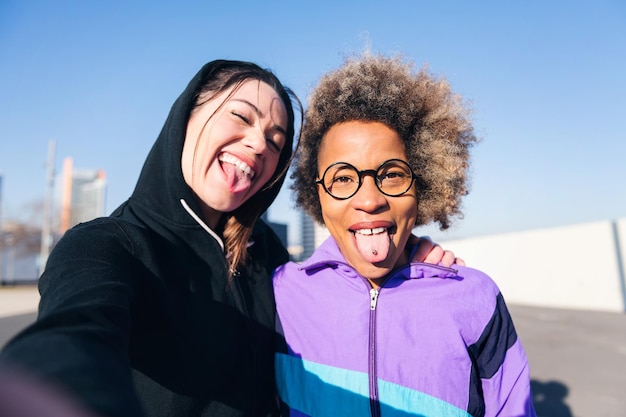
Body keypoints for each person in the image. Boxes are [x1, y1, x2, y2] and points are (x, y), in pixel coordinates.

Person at [0, 59, 459, 417]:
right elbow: (77, 333)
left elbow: (334, 284)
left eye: (276, 140)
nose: (259, 144)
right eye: (241, 116)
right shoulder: (107, 247)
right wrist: (46, 391)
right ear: (187, 114)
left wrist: (401, 254)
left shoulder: (267, 251)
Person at [274, 54, 537, 417]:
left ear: (423, 182)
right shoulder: (281, 295)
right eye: (343, 178)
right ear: (316, 193)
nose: (369, 200)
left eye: (392, 174)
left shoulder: (476, 298)